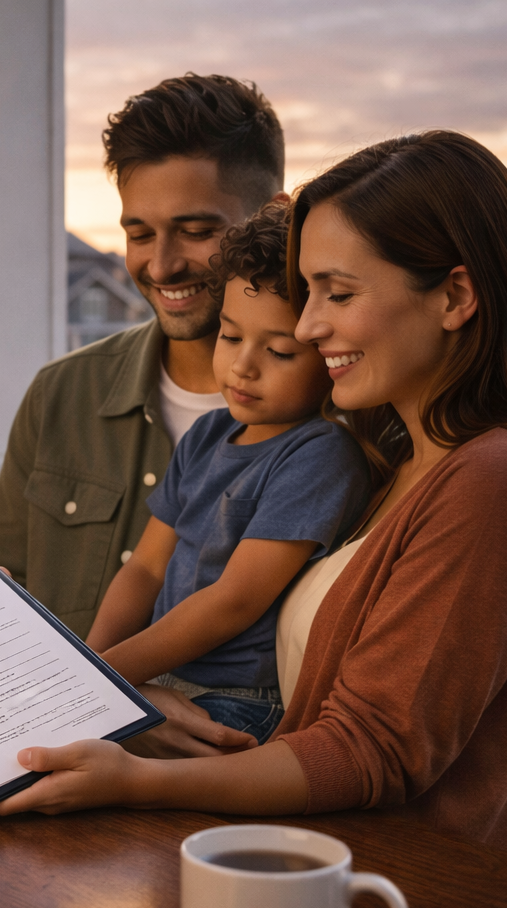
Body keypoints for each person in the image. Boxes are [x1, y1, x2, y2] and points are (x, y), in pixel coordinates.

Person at [0, 130, 507, 853]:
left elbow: (370, 751)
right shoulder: (394, 461)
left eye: (338, 292)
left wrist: (135, 777)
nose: (307, 324)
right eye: (306, 293)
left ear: (455, 295)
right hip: (296, 884)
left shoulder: (503, 481)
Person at [0, 74, 288, 644]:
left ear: (272, 215)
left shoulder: (341, 418)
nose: (162, 265)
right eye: (140, 234)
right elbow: (2, 598)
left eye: (195, 231)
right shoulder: (60, 394)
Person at [88, 202, 370, 748]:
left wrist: (101, 680)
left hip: (241, 700)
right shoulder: (206, 436)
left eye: (281, 351)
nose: (243, 365)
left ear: (328, 357)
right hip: (165, 679)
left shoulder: (318, 454)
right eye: (231, 336)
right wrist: (90, 665)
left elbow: (235, 600)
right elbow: (145, 569)